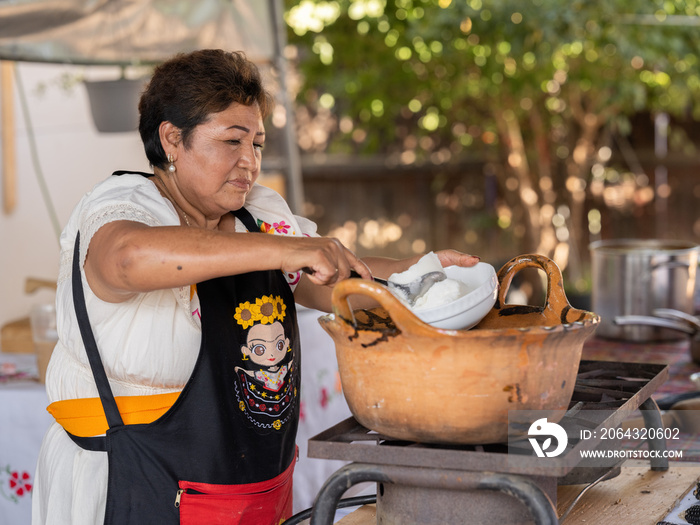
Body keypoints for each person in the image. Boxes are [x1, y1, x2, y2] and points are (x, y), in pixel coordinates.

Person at [31, 49, 479, 525]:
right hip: (134, 481)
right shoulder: (126, 203)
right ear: (172, 140)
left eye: (258, 144)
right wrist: (287, 250)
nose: (250, 162)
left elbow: (327, 280)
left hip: (249, 483)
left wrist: (416, 273)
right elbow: (126, 259)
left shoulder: (257, 215)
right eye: (232, 141)